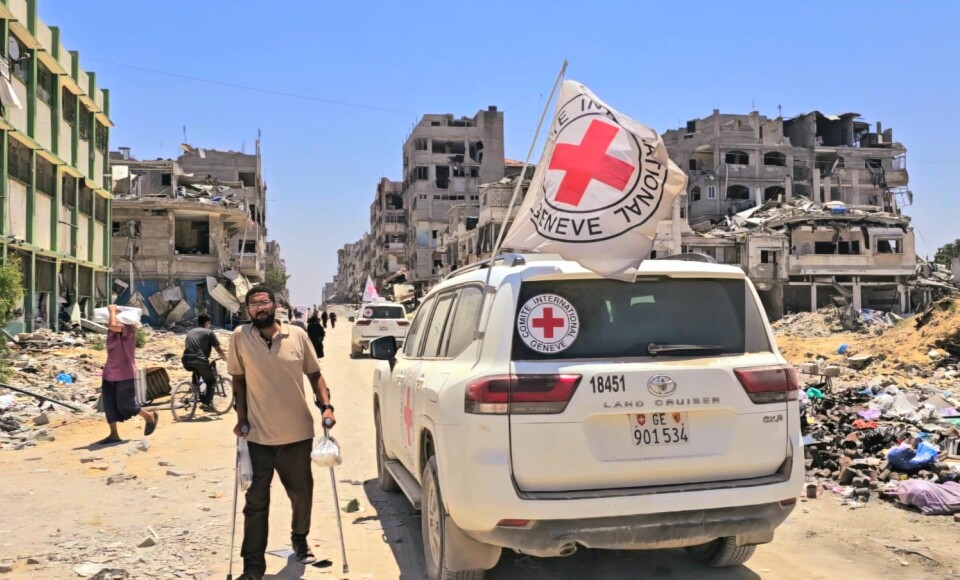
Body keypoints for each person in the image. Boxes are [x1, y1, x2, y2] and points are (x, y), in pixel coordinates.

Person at [228, 286, 336, 580]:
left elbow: (315, 375)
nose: (259, 308)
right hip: (258, 437)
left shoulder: (297, 335)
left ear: (275, 305)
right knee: (255, 503)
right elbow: (238, 380)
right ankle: (252, 567)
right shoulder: (239, 337)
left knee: (302, 495)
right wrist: (241, 417)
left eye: (264, 303)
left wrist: (326, 407)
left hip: (296, 435)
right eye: (253, 304)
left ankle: (299, 540)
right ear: (247, 310)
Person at [96, 304, 158, 444]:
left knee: (127, 404)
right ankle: (114, 434)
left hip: (124, 373)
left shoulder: (127, 329)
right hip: (109, 373)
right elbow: (111, 326)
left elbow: (113, 325)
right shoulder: (112, 331)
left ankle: (149, 416)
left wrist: (112, 310)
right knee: (109, 405)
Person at [181, 314, 228, 410]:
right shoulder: (209, 332)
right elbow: (218, 348)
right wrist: (225, 358)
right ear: (207, 322)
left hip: (186, 360)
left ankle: (195, 390)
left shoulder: (190, 332)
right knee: (211, 381)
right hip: (199, 360)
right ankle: (206, 404)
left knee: (197, 372)